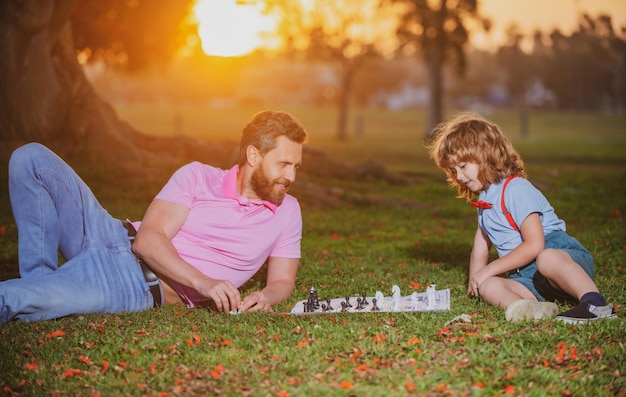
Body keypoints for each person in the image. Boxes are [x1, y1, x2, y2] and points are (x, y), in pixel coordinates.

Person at [0, 110, 308, 322]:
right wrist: (205, 283)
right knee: (30, 158)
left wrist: (267, 296)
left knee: (9, 298)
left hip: (131, 283)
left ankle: (41, 291)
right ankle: (42, 282)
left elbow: (282, 280)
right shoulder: (198, 176)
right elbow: (147, 240)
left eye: (295, 166)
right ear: (254, 155)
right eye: (283, 164)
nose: (291, 176)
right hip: (109, 232)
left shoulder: (288, 211)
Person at [426, 112, 617, 324]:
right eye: (453, 170)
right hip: (528, 278)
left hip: (561, 260)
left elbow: (535, 245)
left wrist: (489, 269)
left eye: (462, 166)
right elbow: (479, 248)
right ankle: (534, 310)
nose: (459, 176)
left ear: (485, 155)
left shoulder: (515, 189)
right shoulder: (485, 200)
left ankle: (595, 303)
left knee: (546, 258)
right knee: (490, 284)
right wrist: (476, 280)